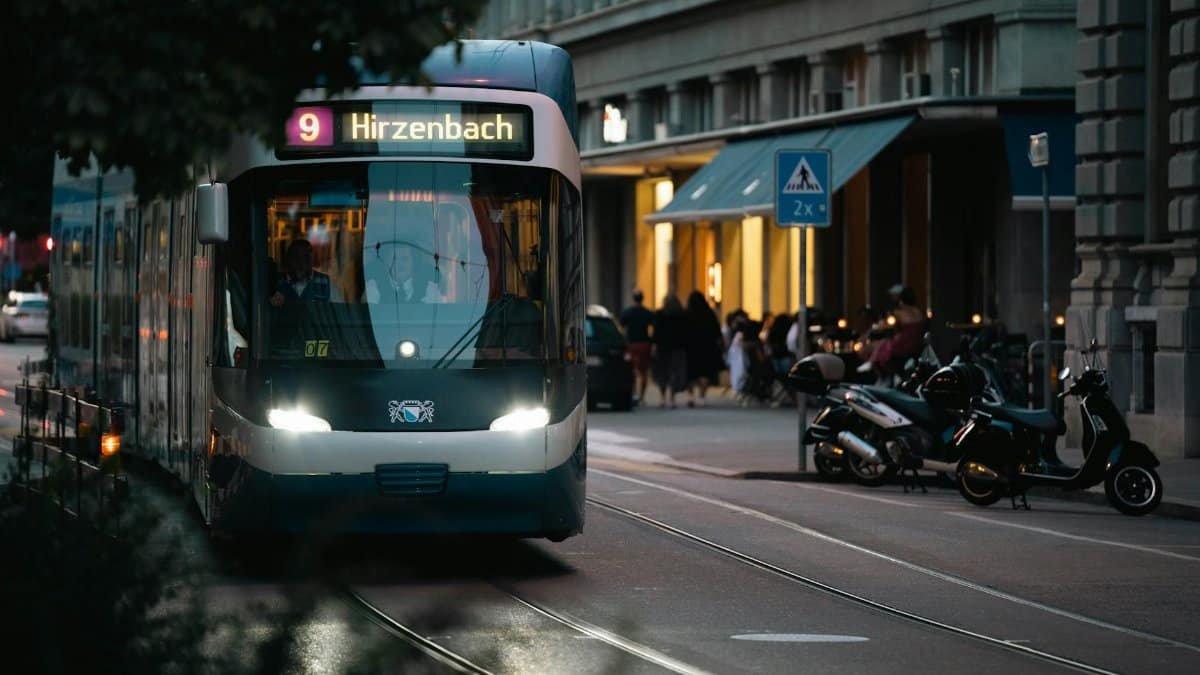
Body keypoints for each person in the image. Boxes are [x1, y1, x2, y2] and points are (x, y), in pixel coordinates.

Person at [861, 284, 925, 379]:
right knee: (882, 344)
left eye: (894, 296)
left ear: (899, 297)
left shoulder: (898, 313)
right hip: (917, 344)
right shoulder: (918, 311)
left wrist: (869, 332)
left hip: (903, 345)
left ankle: (877, 369)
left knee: (873, 346)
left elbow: (883, 326)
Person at [269, 239, 342, 306]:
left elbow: (339, 315)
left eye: (306, 258)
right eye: (296, 257)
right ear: (288, 259)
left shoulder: (325, 283)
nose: (301, 262)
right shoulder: (275, 283)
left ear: (312, 261)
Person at [683, 291, 723, 407]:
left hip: (690, 347)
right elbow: (717, 331)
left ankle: (691, 396)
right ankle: (702, 395)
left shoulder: (687, 314)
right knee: (705, 372)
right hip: (707, 346)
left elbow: (681, 331)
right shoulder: (709, 313)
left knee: (690, 373)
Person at [363, 244, 439, 304]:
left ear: (414, 263)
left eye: (405, 259)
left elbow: (438, 318)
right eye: (394, 259)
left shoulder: (429, 288)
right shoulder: (374, 287)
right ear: (386, 263)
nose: (400, 264)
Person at [652, 294, 689, 408]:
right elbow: (685, 332)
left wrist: (654, 345)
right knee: (675, 371)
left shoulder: (659, 314)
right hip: (677, 347)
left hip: (663, 346)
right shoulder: (682, 314)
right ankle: (672, 398)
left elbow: (656, 332)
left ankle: (662, 398)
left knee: (663, 371)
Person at [619, 289, 655, 404]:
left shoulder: (628, 312)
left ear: (633, 298)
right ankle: (642, 396)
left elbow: (622, 326)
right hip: (644, 344)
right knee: (643, 371)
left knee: (632, 370)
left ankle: (634, 393)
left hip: (632, 344)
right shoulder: (647, 312)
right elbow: (654, 325)